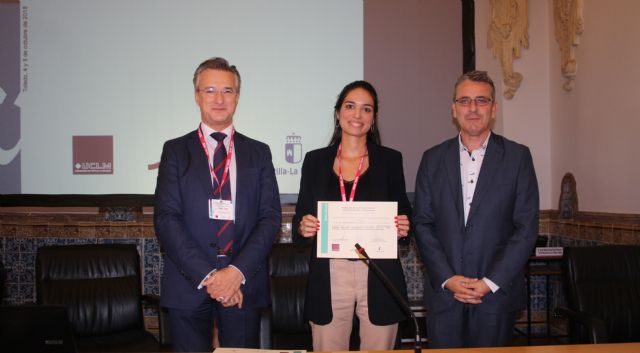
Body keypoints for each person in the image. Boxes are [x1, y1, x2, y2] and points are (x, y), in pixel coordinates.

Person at [154, 57, 281, 352]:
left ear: (237, 96)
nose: (219, 99)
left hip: (243, 283)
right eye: (210, 90)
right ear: (197, 95)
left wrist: (235, 273)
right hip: (189, 284)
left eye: (227, 91)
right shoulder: (175, 151)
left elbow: (270, 218)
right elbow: (166, 219)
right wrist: (210, 277)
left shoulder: (259, 153)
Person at [412, 70, 539, 348]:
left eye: (481, 101)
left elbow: (526, 228)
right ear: (453, 109)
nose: (472, 108)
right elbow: (422, 223)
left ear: (493, 108)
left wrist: (490, 282)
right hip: (445, 297)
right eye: (464, 101)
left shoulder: (518, 157)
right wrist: (448, 278)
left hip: (495, 297)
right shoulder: (432, 159)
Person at [292, 80, 412, 351]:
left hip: (378, 270)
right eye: (350, 106)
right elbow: (301, 217)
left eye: (366, 109)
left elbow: (404, 211)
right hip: (331, 270)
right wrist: (304, 226)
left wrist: (404, 225)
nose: (357, 115)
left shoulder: (391, 160)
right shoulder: (315, 161)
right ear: (338, 113)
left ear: (374, 117)